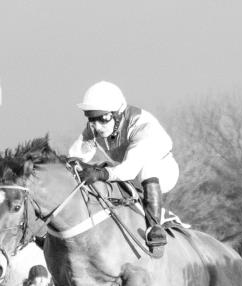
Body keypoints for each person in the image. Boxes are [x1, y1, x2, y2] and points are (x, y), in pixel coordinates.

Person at [67, 81, 180, 258]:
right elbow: (75, 155)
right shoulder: (95, 126)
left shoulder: (143, 126)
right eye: (91, 118)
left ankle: (155, 228)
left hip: (162, 172)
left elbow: (129, 170)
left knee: (145, 168)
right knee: (96, 169)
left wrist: (100, 174)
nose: (97, 126)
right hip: (126, 171)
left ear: (117, 114)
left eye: (103, 118)